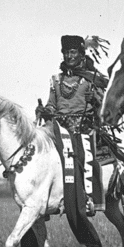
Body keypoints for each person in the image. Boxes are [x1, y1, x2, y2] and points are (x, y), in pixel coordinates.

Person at [36, 35, 109, 216]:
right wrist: (45, 110)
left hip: (82, 128)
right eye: (66, 52)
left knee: (80, 154)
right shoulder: (56, 80)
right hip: (59, 129)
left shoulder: (92, 79)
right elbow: (52, 104)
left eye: (73, 52)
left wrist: (96, 100)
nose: (69, 56)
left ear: (81, 54)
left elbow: (105, 108)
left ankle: (86, 198)